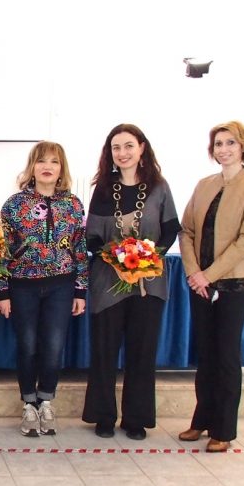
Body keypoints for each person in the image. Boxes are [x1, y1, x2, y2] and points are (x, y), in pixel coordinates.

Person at [81, 124, 181, 440]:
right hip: (108, 281)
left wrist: (148, 259)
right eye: (115, 147)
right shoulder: (102, 188)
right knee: (104, 350)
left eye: (128, 146)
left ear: (141, 148)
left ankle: (136, 419)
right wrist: (117, 260)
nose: (122, 153)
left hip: (148, 283)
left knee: (142, 351)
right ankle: (103, 416)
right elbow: (92, 237)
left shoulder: (159, 187)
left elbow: (169, 230)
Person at [178, 121, 244, 452]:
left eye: (230, 143)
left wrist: (210, 275)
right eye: (218, 144)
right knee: (207, 355)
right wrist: (193, 272)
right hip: (199, 281)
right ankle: (201, 420)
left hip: (232, 283)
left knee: (227, 355)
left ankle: (223, 429)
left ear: (243, 147)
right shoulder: (204, 185)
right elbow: (186, 231)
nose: (223, 149)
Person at [0, 141, 88, 438]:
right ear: (32, 167)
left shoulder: (73, 204)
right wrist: (2, 292)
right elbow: (1, 252)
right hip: (22, 286)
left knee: (53, 347)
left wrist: (80, 290)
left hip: (61, 285)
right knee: (28, 345)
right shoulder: (13, 204)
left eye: (54, 162)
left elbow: (80, 249)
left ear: (62, 169)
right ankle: (28, 404)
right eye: (42, 161)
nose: (48, 167)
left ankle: (46, 399)